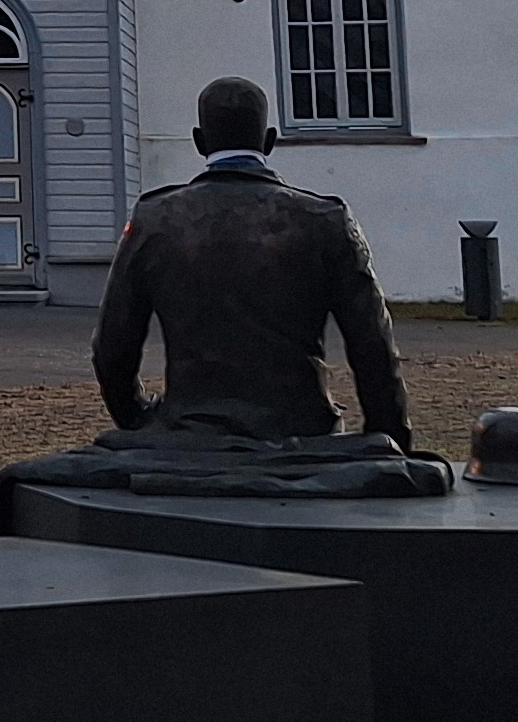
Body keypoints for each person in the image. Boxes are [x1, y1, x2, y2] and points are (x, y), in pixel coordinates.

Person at [90, 75, 408, 447]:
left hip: (190, 432)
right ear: (269, 140)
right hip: (300, 431)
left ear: (199, 141)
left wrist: (137, 420)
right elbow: (373, 347)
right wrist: (391, 441)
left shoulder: (155, 219)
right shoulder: (324, 219)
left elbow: (112, 348)